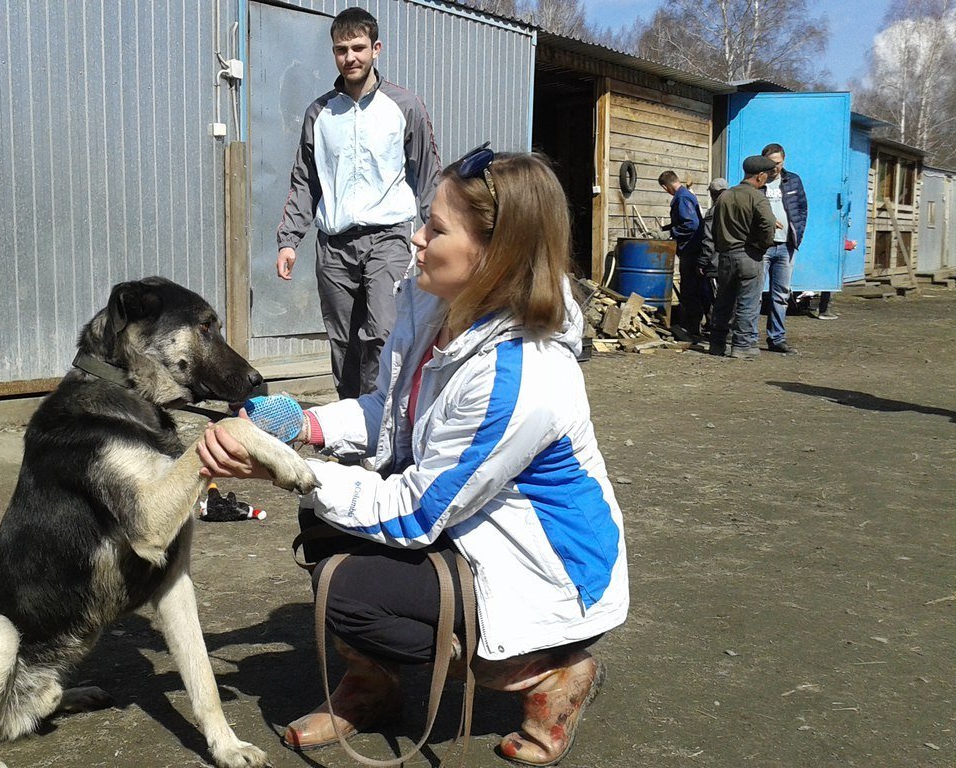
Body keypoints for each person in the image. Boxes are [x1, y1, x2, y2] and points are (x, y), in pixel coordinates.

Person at [201, 150, 628, 765]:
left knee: (347, 587)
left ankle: (547, 673)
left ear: (496, 253)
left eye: (435, 228)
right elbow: (391, 413)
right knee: (323, 521)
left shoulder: (523, 374)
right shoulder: (437, 306)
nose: (416, 238)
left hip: (548, 574)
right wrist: (305, 424)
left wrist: (286, 468)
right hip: (474, 526)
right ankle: (376, 685)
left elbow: (412, 513)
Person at [275, 6, 440, 399]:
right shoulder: (320, 112)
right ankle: (349, 420)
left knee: (382, 332)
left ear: (376, 48)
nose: (350, 57)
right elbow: (304, 180)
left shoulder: (404, 106)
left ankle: (383, 420)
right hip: (333, 246)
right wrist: (288, 239)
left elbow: (428, 172)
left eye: (358, 48)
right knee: (343, 340)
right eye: (341, 49)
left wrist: (435, 231)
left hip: (388, 239)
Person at [709, 156, 777, 359]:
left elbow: (714, 227)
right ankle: (742, 346)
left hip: (726, 256)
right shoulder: (757, 197)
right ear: (761, 176)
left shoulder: (724, 196)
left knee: (723, 302)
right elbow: (768, 223)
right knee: (747, 303)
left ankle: (717, 344)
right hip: (749, 256)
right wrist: (762, 245)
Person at [759, 143, 808, 354]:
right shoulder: (757, 181)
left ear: (784, 160)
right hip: (762, 247)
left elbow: (802, 208)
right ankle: (749, 337)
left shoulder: (793, 180)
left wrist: (797, 235)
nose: (774, 168)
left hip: (786, 246)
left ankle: (777, 338)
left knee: (781, 295)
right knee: (755, 293)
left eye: (777, 163)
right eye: (770, 164)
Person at [659, 170, 707, 341]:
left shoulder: (682, 198)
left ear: (666, 187)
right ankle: (694, 326)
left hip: (691, 250)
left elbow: (691, 224)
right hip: (691, 249)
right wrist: (664, 229)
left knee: (690, 290)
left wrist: (671, 233)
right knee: (694, 289)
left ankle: (691, 329)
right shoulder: (686, 195)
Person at [694, 177, 730, 342]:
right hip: (733, 260)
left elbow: (709, 239)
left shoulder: (714, 211)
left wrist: (702, 261)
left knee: (716, 299)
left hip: (716, 263)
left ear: (713, 194)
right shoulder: (734, 207)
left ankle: (718, 333)